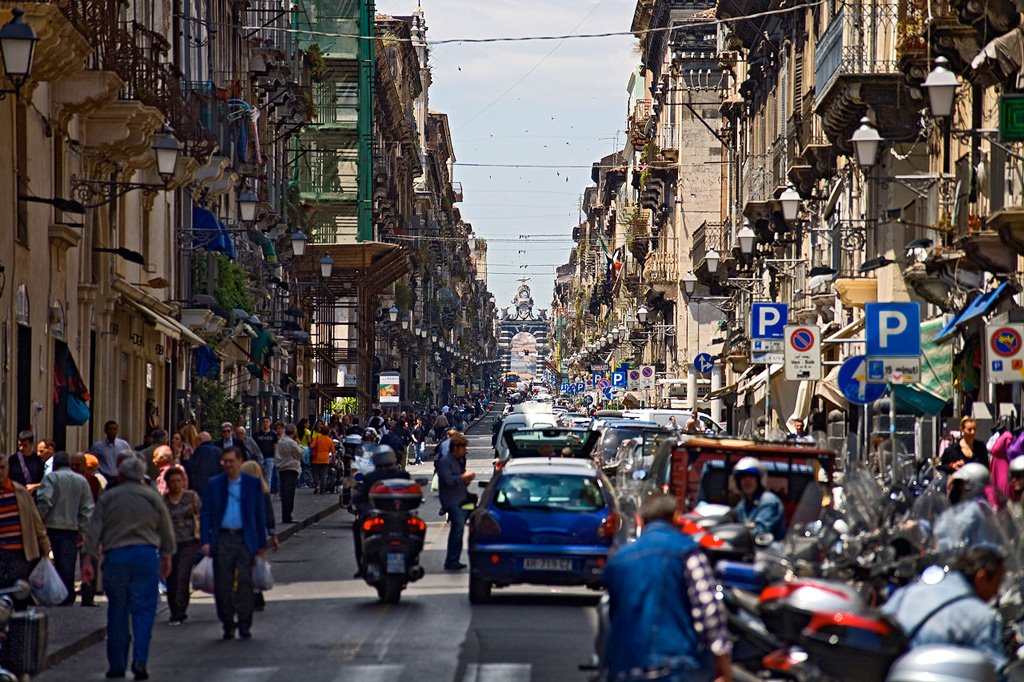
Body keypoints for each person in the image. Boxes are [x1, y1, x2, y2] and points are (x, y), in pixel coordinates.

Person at [604, 493, 731, 682]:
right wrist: (722, 662)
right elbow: (708, 609)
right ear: (676, 517)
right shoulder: (687, 552)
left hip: (625, 668)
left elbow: (611, 615)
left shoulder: (618, 560)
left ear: (640, 520)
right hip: (674, 666)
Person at [82, 457, 175, 681]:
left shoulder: (109, 497)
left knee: (118, 610)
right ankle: (140, 659)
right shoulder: (152, 497)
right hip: (145, 555)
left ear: (121, 476)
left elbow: (94, 529)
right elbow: (166, 528)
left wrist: (88, 558)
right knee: (144, 611)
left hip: (117, 556)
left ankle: (117, 664)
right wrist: (166, 555)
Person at [882, 547, 1007, 675]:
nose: (996, 592)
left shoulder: (909, 591)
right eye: (997, 583)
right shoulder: (981, 616)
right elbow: (994, 672)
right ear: (981, 577)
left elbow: (880, 622)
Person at [200, 446, 268, 640]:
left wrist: (261, 545)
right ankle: (228, 622)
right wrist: (205, 540)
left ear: (240, 462)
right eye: (225, 461)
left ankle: (245, 623)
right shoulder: (215, 484)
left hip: (244, 539)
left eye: (231, 461)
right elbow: (206, 514)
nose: (228, 465)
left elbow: (258, 515)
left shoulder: (251, 484)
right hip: (222, 539)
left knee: (245, 582)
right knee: (223, 584)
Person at [35, 452, 94, 606]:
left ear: (54, 465)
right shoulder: (81, 481)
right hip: (71, 529)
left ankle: (50, 593)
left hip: (51, 528)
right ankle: (66, 596)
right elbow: (87, 508)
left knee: (47, 561)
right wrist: (83, 530)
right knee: (67, 564)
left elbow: (44, 501)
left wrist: (39, 521)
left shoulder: (51, 478)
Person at [351, 445, 410, 576]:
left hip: (377, 515)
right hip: (399, 515)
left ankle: (362, 566)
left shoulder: (371, 477)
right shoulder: (403, 475)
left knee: (357, 528)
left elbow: (360, 496)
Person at [0, 454, 50, 608]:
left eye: (2, 468)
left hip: (19, 553)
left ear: (7, 469)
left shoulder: (20, 492)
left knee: (19, 591)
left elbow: (35, 521)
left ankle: (18, 627)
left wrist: (44, 544)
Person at [161, 466, 200, 625]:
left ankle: (180, 609)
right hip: (169, 542)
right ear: (168, 483)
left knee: (183, 575)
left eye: (179, 481)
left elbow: (200, 515)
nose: (177, 484)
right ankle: (174, 609)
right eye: (173, 482)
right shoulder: (163, 500)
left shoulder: (191, 497)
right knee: (171, 576)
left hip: (189, 541)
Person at [935, 462, 999, 554]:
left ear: (973, 484)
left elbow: (951, 526)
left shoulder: (974, 507)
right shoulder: (982, 502)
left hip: (977, 556)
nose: (959, 487)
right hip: (980, 553)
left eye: (962, 483)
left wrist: (928, 526)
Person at [240, 461, 277, 611]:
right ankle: (257, 596)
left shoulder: (241, 490)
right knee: (254, 566)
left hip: (243, 534)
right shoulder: (263, 490)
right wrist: (272, 534)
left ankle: (247, 596)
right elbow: (268, 515)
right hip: (256, 535)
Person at [437, 432, 474, 571]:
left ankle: (454, 559)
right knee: (458, 529)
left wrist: (466, 479)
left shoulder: (458, 461)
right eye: (463, 447)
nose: (465, 450)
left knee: (459, 529)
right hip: (451, 501)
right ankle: (451, 560)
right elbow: (448, 480)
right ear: (456, 448)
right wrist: (463, 477)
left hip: (461, 499)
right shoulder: (445, 462)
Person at [731, 457, 786, 541]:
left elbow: (760, 532)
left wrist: (734, 536)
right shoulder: (742, 505)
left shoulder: (768, 501)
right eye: (743, 477)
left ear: (759, 480)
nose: (747, 481)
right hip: (748, 550)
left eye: (751, 477)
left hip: (770, 551)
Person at [275, 424, 304, 524]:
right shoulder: (291, 443)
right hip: (290, 468)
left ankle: (285, 515)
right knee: (289, 494)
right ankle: (287, 516)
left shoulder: (281, 441)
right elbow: (300, 454)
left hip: (282, 469)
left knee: (285, 493)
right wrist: (300, 445)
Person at [185, 432, 221, 499]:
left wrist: (186, 459)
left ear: (200, 440)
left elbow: (191, 468)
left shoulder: (200, 450)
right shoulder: (219, 451)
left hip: (201, 489)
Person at [253, 417, 278, 495]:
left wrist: (276, 457)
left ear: (270, 423)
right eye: (264, 422)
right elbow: (254, 447)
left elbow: (275, 446)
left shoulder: (273, 435)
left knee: (268, 477)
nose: (265, 423)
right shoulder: (257, 435)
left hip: (269, 457)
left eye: (267, 422)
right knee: (259, 476)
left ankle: (266, 495)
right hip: (259, 458)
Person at [308, 423, 334, 495]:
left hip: (316, 458)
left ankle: (317, 485)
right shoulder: (329, 440)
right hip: (325, 459)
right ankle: (322, 490)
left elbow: (311, 446)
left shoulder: (317, 438)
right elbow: (333, 451)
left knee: (315, 473)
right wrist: (334, 460)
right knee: (323, 475)